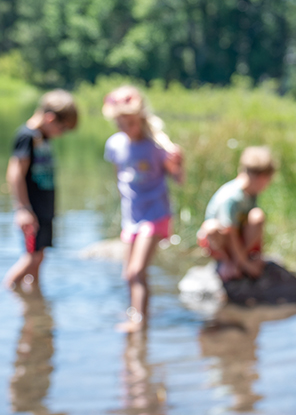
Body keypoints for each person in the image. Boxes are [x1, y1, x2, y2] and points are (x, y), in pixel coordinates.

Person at [103, 85, 183, 332]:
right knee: (128, 274)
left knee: (137, 271)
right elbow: (119, 179)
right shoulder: (115, 145)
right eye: (120, 123)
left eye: (130, 123)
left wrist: (178, 162)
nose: (125, 128)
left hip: (155, 214)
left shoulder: (156, 147)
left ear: (140, 119)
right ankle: (135, 312)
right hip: (132, 216)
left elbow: (178, 179)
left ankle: (138, 323)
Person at [4, 90, 78, 289]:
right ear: (50, 118)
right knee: (31, 257)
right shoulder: (26, 136)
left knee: (39, 257)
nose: (62, 134)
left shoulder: (41, 137)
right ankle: (8, 289)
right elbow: (15, 173)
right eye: (63, 128)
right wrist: (23, 209)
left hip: (43, 210)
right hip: (32, 211)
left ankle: (34, 299)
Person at [196, 146, 275, 281]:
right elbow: (230, 233)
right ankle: (227, 262)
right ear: (262, 178)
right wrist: (244, 264)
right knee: (212, 227)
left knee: (257, 216)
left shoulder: (251, 194)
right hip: (219, 241)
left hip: (238, 239)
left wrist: (258, 256)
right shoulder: (232, 197)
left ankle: (240, 260)